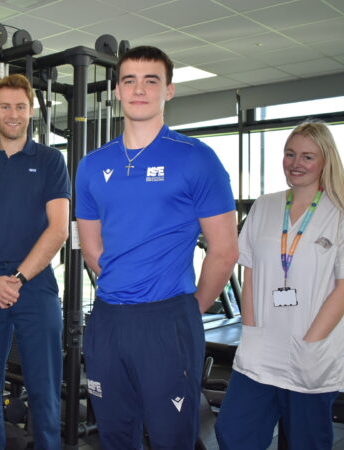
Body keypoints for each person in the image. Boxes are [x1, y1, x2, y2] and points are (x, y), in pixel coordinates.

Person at [75, 45, 238, 449]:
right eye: (129, 80)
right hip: (109, 319)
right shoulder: (92, 164)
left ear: (169, 91)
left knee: (171, 438)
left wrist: (187, 309)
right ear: (117, 91)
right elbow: (92, 250)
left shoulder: (196, 159)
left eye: (152, 80)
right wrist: (125, 287)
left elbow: (224, 251)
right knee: (112, 436)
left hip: (169, 318)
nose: (139, 89)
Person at [215, 120, 344, 449]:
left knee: (306, 442)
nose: (296, 163)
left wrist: (310, 343)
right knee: (234, 433)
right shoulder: (265, 205)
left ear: (325, 160)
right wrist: (251, 329)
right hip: (262, 348)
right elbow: (250, 274)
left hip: (312, 350)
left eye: (307, 156)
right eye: (290, 154)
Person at [0, 73, 70, 449]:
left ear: (31, 111)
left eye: (20, 106)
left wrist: (17, 279)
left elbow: (58, 230)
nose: (13, 113)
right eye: (5, 106)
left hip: (34, 285)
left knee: (44, 389)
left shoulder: (51, 161)